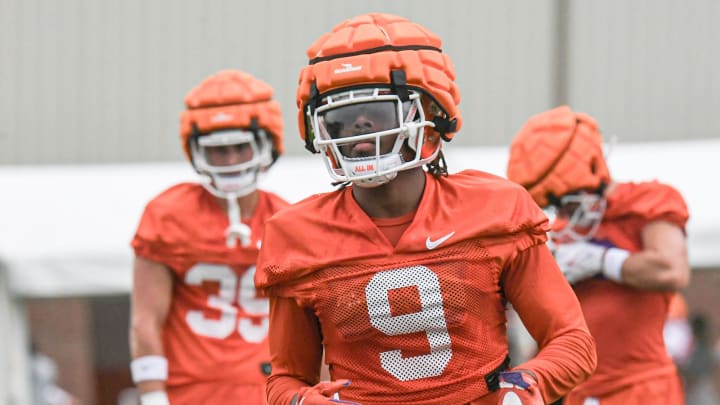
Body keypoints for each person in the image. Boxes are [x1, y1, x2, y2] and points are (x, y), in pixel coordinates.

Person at [254, 13, 597, 405]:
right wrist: (302, 400)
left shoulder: (494, 206)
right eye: (341, 119)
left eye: (377, 113)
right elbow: (286, 379)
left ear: (426, 113)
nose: (358, 128)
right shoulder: (296, 233)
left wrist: (523, 387)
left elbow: (572, 341)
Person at [506, 105, 691, 405]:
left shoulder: (649, 201)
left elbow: (672, 270)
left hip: (642, 389)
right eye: (559, 208)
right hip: (581, 392)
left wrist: (603, 261)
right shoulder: (560, 234)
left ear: (595, 168)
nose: (565, 215)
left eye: (570, 202)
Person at [129, 69, 287, 405]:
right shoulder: (169, 215)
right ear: (196, 149)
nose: (230, 161)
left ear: (265, 143)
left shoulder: (288, 220)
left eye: (240, 148)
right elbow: (145, 320)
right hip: (188, 392)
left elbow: (311, 325)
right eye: (218, 151)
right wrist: (152, 394)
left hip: (269, 389)